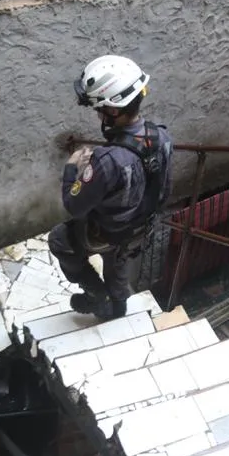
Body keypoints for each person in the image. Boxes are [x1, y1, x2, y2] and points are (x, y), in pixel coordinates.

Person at [50, 55, 173, 320]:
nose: (97, 114)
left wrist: (72, 169)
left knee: (59, 241)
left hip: (107, 231)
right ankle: (117, 310)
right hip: (141, 228)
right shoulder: (162, 136)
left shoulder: (108, 161)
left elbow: (74, 204)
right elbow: (165, 188)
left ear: (113, 111)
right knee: (117, 264)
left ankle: (96, 293)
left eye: (99, 109)